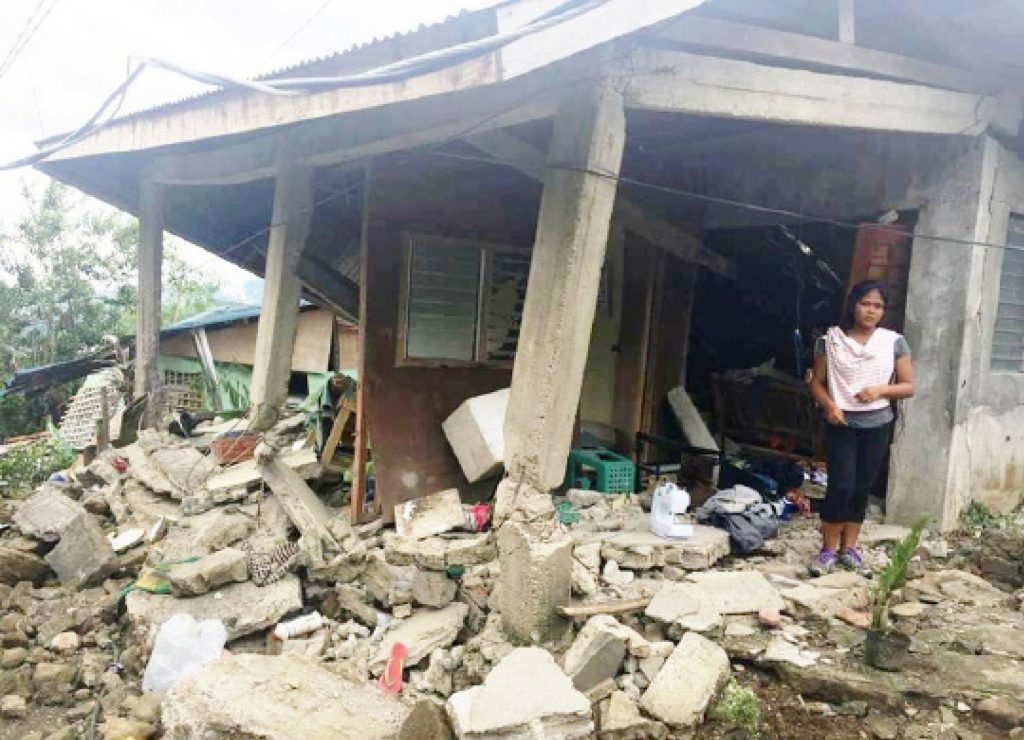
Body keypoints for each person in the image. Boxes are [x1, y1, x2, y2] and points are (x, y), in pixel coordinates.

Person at [808, 280, 915, 574]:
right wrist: (830, 406)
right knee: (840, 486)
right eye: (865, 304)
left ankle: (850, 548)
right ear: (853, 305)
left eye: (877, 306)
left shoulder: (893, 342)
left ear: (883, 311)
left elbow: (908, 386)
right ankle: (828, 550)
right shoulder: (830, 341)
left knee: (861, 487)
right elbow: (816, 382)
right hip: (840, 422)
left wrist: (880, 390)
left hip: (877, 423)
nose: (871, 311)